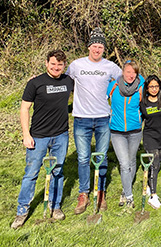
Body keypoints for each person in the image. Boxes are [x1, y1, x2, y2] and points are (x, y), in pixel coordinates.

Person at [12, 50, 74, 229]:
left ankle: (55, 207)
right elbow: (24, 109)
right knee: (31, 174)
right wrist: (26, 134)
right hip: (38, 136)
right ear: (47, 63)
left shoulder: (68, 81)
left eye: (60, 65)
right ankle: (22, 211)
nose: (56, 67)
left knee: (58, 172)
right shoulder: (35, 83)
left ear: (64, 66)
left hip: (61, 135)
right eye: (53, 64)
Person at [66, 27, 121, 214]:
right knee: (82, 158)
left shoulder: (111, 67)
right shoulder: (76, 65)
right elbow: (63, 82)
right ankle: (84, 193)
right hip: (81, 118)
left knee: (102, 157)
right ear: (89, 47)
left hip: (103, 118)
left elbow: (129, 79)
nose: (97, 49)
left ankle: (100, 191)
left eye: (101, 47)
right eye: (95, 46)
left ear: (104, 49)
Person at [107, 60, 144, 209]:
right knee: (124, 163)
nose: (131, 75)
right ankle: (129, 196)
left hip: (135, 130)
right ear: (122, 72)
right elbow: (97, 97)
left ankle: (125, 187)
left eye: (134, 72)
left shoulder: (141, 86)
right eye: (128, 71)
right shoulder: (113, 86)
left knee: (132, 161)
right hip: (117, 131)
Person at [140, 75, 161, 209]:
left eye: (156, 86)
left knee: (157, 163)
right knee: (155, 165)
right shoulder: (143, 103)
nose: (154, 89)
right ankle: (153, 195)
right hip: (150, 137)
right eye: (151, 86)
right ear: (147, 88)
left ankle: (148, 182)